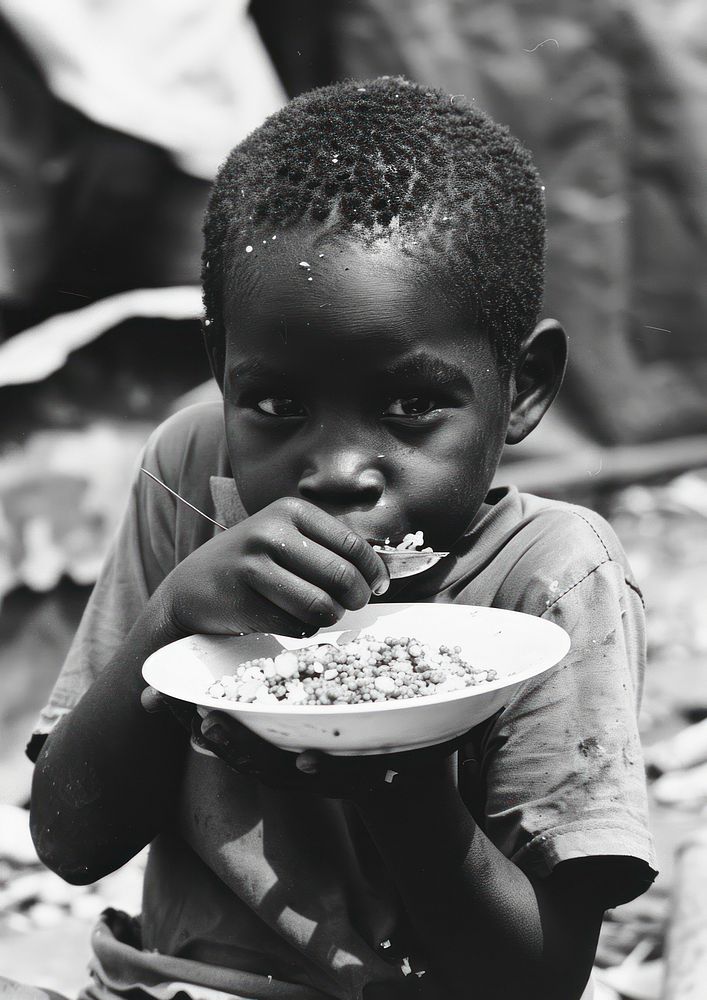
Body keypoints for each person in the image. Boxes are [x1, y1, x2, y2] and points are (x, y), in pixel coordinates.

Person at [25, 78, 656, 1000]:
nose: (336, 472)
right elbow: (71, 843)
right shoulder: (195, 480)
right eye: (277, 405)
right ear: (220, 373)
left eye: (411, 407)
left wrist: (396, 787)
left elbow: (537, 981)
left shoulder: (552, 579)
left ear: (521, 388)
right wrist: (169, 622)